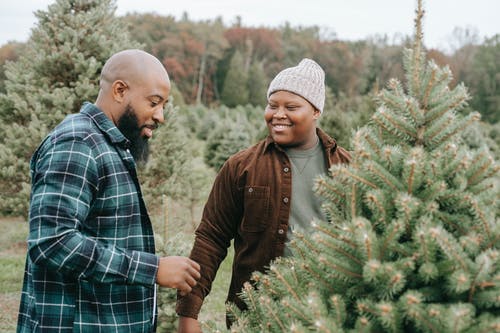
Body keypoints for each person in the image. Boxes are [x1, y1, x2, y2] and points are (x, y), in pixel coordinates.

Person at [17, 49, 200, 333]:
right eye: (154, 102)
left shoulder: (109, 144)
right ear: (119, 90)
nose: (160, 116)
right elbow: (52, 242)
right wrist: (151, 269)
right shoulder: (78, 143)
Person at [176, 58, 351, 331]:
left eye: (291, 107)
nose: (278, 114)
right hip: (254, 318)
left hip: (326, 318)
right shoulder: (241, 167)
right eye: (272, 105)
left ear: (316, 111)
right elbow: (211, 238)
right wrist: (188, 314)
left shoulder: (347, 169)